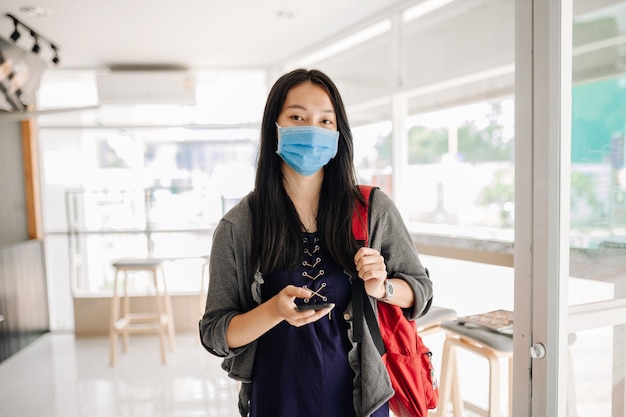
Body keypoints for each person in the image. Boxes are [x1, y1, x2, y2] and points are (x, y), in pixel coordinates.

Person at [199, 68, 433, 417]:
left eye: (325, 121)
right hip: (278, 400)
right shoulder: (240, 225)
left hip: (360, 402)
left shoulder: (372, 210)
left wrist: (382, 287)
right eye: (296, 117)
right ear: (273, 128)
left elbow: (421, 293)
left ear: (339, 133)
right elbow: (215, 333)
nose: (311, 130)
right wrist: (272, 311)